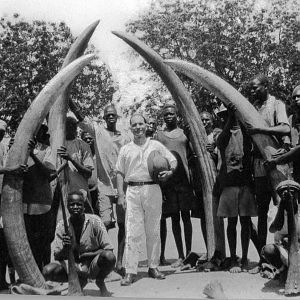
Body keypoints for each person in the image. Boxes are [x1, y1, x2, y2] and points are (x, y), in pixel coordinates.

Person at [69, 101, 131, 276]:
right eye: (107, 114)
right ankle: (100, 261)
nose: (110, 116)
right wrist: (71, 101)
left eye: (113, 114)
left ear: (117, 117)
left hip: (121, 186)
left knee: (122, 226)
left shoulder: (126, 136)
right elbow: (81, 117)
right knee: (102, 224)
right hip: (104, 186)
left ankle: (119, 263)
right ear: (104, 118)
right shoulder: (98, 132)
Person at [116, 113, 177, 286]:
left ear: (145, 125)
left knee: (154, 229)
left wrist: (170, 172)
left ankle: (153, 267)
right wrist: (121, 194)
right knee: (132, 231)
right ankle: (130, 271)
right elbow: (120, 172)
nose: (138, 127)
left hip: (153, 188)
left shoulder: (156, 145)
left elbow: (173, 160)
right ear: (130, 128)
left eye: (140, 124)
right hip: (133, 190)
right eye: (134, 125)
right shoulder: (126, 148)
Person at [247, 74, 290, 273]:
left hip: (277, 164)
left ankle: (288, 257)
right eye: (251, 88)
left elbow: (284, 128)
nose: (253, 91)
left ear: (266, 86)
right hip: (259, 165)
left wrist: (261, 129)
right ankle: (263, 259)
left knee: (284, 209)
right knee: (262, 212)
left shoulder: (277, 104)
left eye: (256, 87)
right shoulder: (254, 107)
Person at [43, 191, 115, 296]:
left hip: (92, 266)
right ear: (67, 207)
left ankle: (100, 281)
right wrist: (65, 248)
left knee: (109, 257)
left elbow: (109, 249)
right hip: (72, 267)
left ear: (84, 207)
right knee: (47, 271)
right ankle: (78, 282)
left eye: (79, 204)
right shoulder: (62, 225)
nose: (75, 207)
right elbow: (57, 255)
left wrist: (86, 256)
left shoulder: (95, 221)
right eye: (72, 204)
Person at [216, 106, 257, 272]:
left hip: (245, 183)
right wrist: (230, 119)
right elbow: (221, 142)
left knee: (245, 223)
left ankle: (245, 257)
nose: (229, 118)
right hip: (229, 184)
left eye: (231, 116)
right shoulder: (221, 134)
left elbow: (248, 143)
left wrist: (237, 117)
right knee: (231, 223)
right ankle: (233, 258)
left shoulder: (245, 133)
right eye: (225, 116)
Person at [156, 104, 195, 268]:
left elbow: (192, 155)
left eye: (172, 113)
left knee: (186, 218)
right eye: (166, 115)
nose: (169, 116)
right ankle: (179, 255)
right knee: (174, 219)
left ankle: (188, 254)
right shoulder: (160, 136)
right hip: (169, 183)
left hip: (184, 181)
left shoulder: (185, 133)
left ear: (176, 115)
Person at [0, 120, 28, 289]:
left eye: (3, 132)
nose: (1, 134)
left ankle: (10, 278)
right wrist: (11, 170)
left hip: (6, 196)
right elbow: (7, 168)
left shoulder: (4, 145)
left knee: (6, 238)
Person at [261, 180, 300, 282]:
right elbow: (274, 228)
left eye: (293, 192)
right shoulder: (274, 210)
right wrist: (282, 206)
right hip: (283, 250)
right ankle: (282, 270)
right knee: (268, 250)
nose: (289, 195)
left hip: (298, 247)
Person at [56, 117, 94, 213]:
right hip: (62, 194)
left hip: (80, 193)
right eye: (67, 125)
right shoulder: (58, 144)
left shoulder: (83, 145)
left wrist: (71, 159)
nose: (70, 128)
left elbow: (88, 173)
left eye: (73, 125)